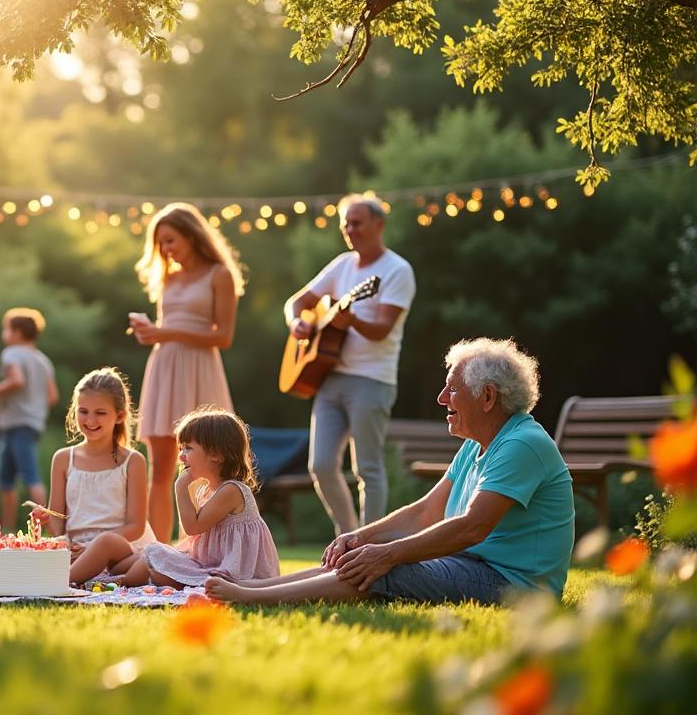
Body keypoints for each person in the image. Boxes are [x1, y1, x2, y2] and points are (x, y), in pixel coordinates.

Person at [205, 338, 575, 606]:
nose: (442, 399)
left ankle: (257, 599)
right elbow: (426, 513)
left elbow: (472, 527)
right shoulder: (480, 444)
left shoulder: (521, 444)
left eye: (451, 389)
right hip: (474, 565)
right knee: (363, 557)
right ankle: (257, 590)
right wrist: (360, 536)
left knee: (377, 569)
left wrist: (387, 554)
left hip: (514, 585)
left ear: (488, 397)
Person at [284, 193, 416, 536]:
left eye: (357, 222)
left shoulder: (396, 271)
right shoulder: (342, 264)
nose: (349, 229)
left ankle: (369, 542)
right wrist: (298, 323)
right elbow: (297, 302)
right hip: (329, 376)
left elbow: (383, 329)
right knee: (321, 465)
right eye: (345, 223)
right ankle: (347, 536)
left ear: (379, 224)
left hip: (372, 379)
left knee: (367, 468)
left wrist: (349, 320)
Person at [131, 202, 244, 543]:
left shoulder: (219, 275)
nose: (166, 249)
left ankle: (196, 549)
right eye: (161, 243)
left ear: (193, 235)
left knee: (203, 467)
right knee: (161, 469)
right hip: (165, 367)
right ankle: (157, 550)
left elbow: (224, 336)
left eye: (171, 240)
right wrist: (151, 333)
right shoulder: (168, 278)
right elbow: (168, 327)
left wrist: (167, 333)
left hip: (199, 369)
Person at [97, 407, 279, 587]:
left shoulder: (231, 491)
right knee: (151, 555)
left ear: (215, 455)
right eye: (181, 449)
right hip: (206, 564)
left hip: (232, 573)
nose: (181, 457)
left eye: (188, 449)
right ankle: (110, 572)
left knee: (153, 562)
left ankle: (122, 581)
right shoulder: (206, 489)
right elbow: (192, 538)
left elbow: (192, 527)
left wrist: (179, 487)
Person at [34, 368, 156, 584]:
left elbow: (136, 525)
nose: (90, 420)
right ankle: (101, 577)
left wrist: (93, 547)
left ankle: (55, 583)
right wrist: (45, 520)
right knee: (42, 553)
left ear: (119, 416)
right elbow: (58, 529)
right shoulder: (63, 459)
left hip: (122, 547)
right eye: (83, 411)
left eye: (100, 413)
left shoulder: (133, 461)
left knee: (111, 545)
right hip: (77, 551)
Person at [0, 307, 58, 531]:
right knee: (7, 478)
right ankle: (7, 531)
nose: (4, 334)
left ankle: (52, 532)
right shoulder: (43, 360)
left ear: (16, 332)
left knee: (29, 475)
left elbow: (17, 381)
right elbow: (52, 397)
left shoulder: (11, 353)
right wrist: (33, 408)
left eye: (6, 329)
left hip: (17, 422)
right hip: (32, 422)